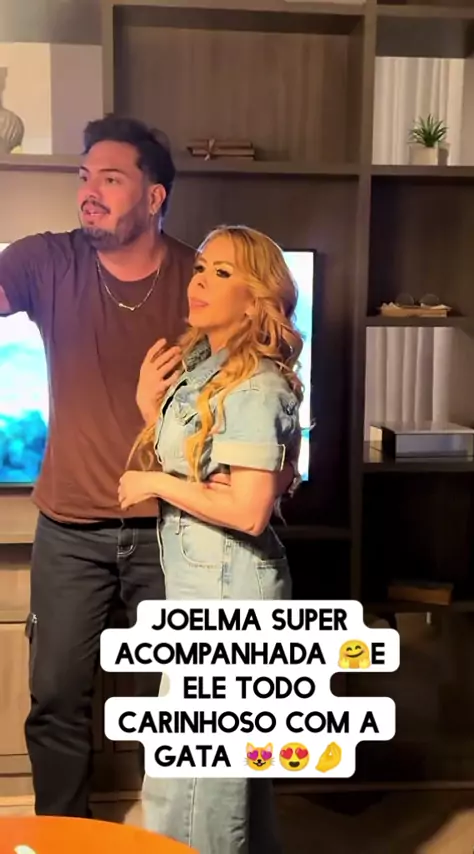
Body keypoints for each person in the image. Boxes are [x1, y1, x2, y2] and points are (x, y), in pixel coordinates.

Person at [0, 116, 295, 818]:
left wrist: (274, 474)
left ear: (154, 196)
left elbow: (263, 390)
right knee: (56, 698)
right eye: (84, 176)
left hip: (176, 534)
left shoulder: (202, 283)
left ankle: (174, 829)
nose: (89, 191)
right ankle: (66, 835)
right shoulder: (46, 260)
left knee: (186, 707)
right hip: (70, 528)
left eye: (110, 178)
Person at [118, 224, 303, 854]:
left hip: (230, 596)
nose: (199, 280)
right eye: (201, 267)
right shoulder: (207, 368)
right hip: (204, 589)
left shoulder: (258, 385)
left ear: (255, 300)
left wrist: (153, 482)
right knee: (216, 777)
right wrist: (150, 407)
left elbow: (248, 512)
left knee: (194, 785)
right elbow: (196, 463)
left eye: (223, 273)